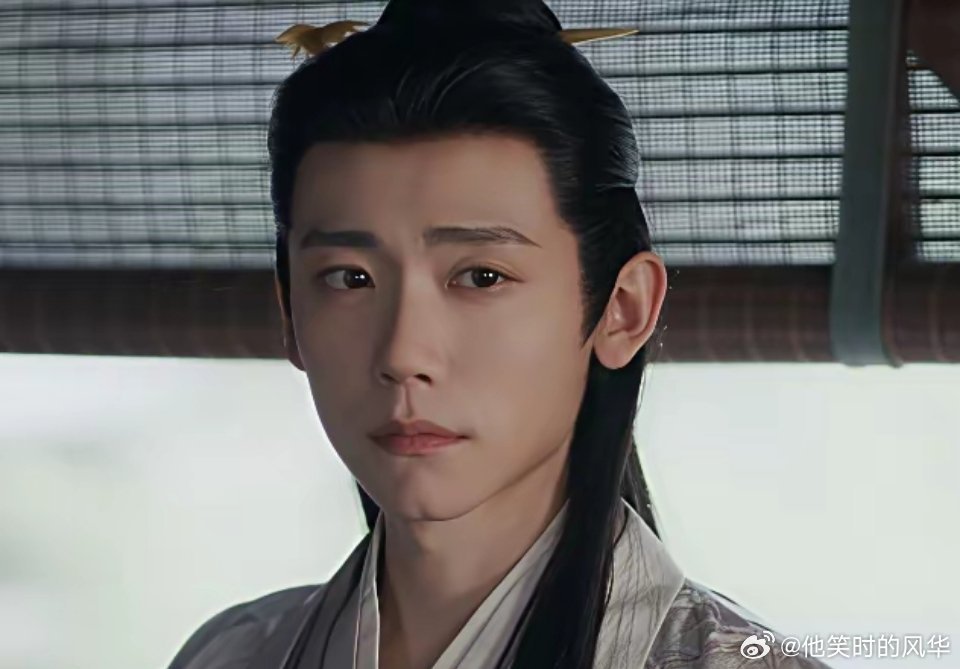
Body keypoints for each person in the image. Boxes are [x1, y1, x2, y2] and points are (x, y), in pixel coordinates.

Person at [168, 1, 833, 667]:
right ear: (290, 313)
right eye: (350, 278)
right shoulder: (231, 654)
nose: (403, 354)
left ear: (622, 309)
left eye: (481, 276)